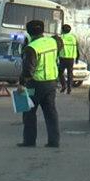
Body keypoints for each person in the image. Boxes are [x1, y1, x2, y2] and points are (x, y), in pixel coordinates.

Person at [17, 19, 60, 148]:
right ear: (42, 30)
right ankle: (54, 141)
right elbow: (59, 42)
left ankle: (29, 141)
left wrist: (22, 83)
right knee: (51, 113)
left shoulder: (31, 48)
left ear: (29, 32)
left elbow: (28, 69)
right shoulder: (53, 42)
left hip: (34, 84)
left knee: (29, 112)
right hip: (51, 83)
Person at [58, 23, 79, 94]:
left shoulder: (61, 37)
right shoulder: (73, 38)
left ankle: (64, 85)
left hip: (63, 57)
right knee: (70, 73)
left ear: (63, 30)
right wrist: (77, 57)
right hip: (71, 58)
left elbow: (58, 47)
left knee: (60, 73)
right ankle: (69, 88)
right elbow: (77, 48)